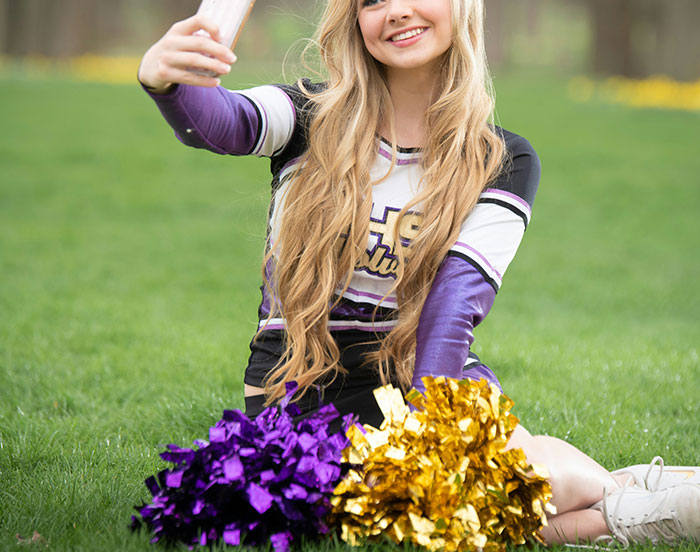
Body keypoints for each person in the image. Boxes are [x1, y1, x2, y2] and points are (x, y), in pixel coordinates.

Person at [137, 0, 700, 547]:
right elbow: (222, 122)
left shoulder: (501, 158)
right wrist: (166, 81)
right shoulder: (308, 114)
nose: (396, 10)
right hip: (300, 381)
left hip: (425, 371)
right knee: (394, 515)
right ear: (355, 19)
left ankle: (631, 505)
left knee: (455, 498)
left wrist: (437, 439)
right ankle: (635, 501)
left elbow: (454, 304)